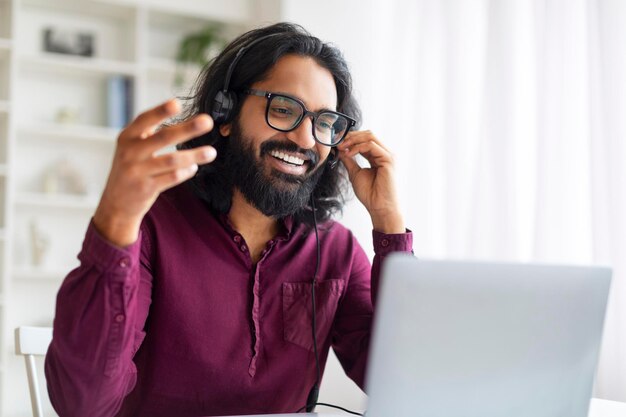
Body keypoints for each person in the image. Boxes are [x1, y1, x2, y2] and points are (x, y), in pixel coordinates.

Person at [44, 22, 413, 417]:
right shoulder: (151, 228)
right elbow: (82, 405)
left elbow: (407, 384)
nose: (306, 140)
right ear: (226, 113)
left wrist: (389, 222)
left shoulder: (336, 249)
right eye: (284, 109)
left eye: (324, 123)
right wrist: (116, 220)